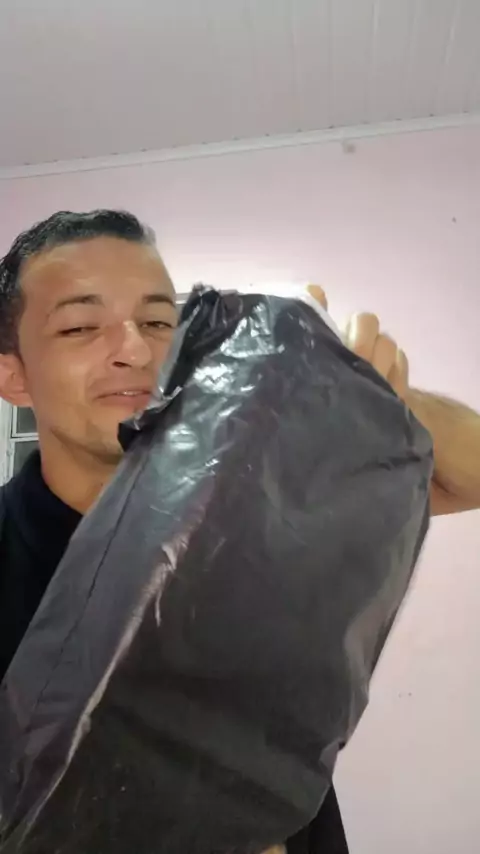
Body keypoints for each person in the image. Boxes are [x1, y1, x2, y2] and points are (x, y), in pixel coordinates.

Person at [0, 210, 479, 854]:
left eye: (158, 321)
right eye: (80, 327)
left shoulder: (264, 490)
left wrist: (386, 397)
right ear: (13, 374)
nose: (135, 351)